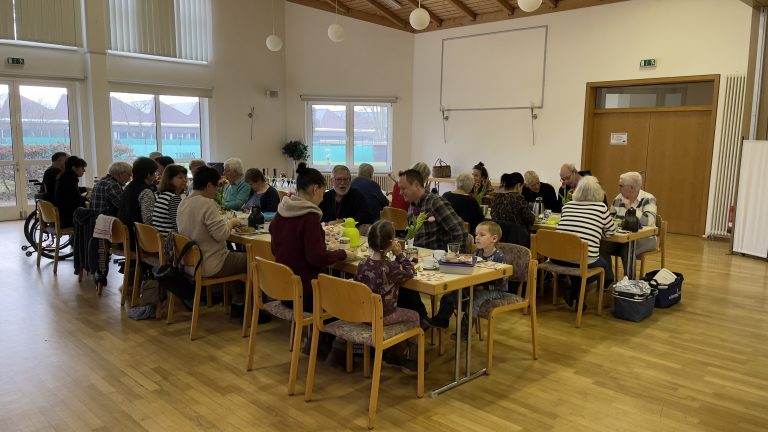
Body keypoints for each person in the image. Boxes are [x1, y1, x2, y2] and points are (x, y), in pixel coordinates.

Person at [270, 162, 353, 312]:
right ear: (315, 189)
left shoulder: (282, 211)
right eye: (323, 190)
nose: (323, 196)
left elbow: (275, 248)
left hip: (284, 289)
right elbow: (316, 258)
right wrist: (343, 254)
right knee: (350, 296)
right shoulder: (309, 217)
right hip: (307, 293)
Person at [398, 168, 467, 326]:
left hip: (436, 262)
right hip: (419, 260)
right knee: (396, 277)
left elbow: (459, 231)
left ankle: (421, 320)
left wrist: (453, 259)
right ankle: (420, 318)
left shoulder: (435, 202)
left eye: (403, 188)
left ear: (416, 185)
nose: (400, 193)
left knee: (402, 279)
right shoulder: (412, 205)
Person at [354, 219, 421, 373]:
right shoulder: (390, 267)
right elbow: (410, 271)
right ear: (391, 242)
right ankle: (409, 359)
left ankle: (393, 351)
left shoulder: (362, 263)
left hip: (363, 313)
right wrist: (399, 254)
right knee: (415, 316)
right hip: (382, 316)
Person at [176, 166, 246, 312]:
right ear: (209, 185)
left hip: (189, 263)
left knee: (236, 258)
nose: (217, 190)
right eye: (217, 186)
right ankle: (247, 307)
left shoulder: (183, 202)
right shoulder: (207, 203)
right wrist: (231, 223)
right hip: (209, 263)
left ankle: (237, 301)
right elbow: (221, 235)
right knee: (253, 260)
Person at [431, 221, 507, 334]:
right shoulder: (477, 252)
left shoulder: (499, 257)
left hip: (495, 290)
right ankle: (442, 320)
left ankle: (464, 332)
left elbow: (501, 282)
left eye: (482, 235)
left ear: (494, 238)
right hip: (476, 286)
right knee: (449, 296)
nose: (477, 237)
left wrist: (482, 287)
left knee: (474, 300)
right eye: (476, 234)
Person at [555, 176, 616, 309]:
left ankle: (577, 297)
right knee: (603, 266)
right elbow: (611, 232)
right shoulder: (601, 207)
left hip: (557, 257)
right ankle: (574, 291)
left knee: (578, 264)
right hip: (581, 258)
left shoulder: (567, 206)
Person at [600, 171, 658, 272]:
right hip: (622, 238)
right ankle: (608, 279)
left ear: (631, 187)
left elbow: (649, 221)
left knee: (628, 245)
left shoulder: (648, 198)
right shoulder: (618, 199)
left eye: (621, 185)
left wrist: (630, 208)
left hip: (645, 239)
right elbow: (610, 218)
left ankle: (630, 279)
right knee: (601, 245)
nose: (618, 188)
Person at [118, 157, 159, 246]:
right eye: (155, 173)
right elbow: (148, 220)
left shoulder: (128, 187)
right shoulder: (145, 191)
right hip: (138, 241)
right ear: (148, 174)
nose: (156, 176)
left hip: (125, 237)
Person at [152, 164, 188, 236]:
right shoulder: (173, 198)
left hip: (161, 238)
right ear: (170, 180)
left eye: (185, 177)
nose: (185, 180)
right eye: (180, 178)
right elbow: (179, 226)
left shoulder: (163, 195)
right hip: (171, 240)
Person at [54, 156, 87, 228]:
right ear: (74, 168)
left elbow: (72, 195)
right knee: (96, 217)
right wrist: (87, 198)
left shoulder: (64, 177)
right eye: (82, 168)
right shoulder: (70, 180)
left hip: (63, 215)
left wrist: (85, 190)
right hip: (69, 218)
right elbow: (75, 201)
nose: (84, 170)